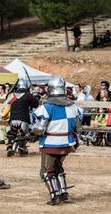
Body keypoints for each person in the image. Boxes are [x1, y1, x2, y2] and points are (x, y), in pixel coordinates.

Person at [32, 76, 82, 205]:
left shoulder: (47, 107)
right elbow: (79, 127)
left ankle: (55, 196)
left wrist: (32, 132)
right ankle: (63, 192)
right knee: (58, 166)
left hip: (51, 143)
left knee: (46, 170)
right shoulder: (72, 105)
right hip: (67, 143)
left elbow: (39, 129)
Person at [6, 78, 39, 157]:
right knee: (23, 134)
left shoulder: (12, 95)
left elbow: (7, 100)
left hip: (13, 119)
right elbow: (36, 104)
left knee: (12, 134)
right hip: (23, 119)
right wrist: (35, 95)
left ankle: (10, 146)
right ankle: (21, 148)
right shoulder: (28, 95)